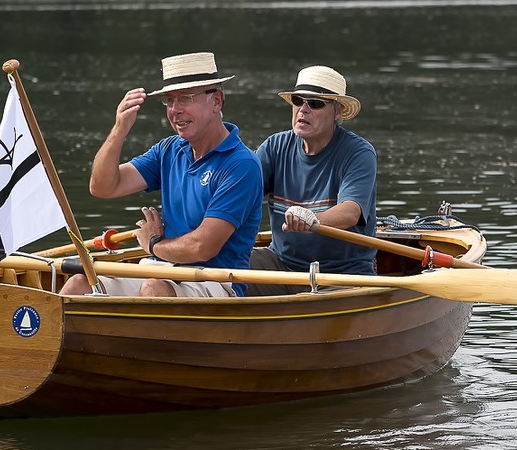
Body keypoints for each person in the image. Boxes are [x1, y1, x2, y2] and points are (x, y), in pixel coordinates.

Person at [61, 52, 262, 297]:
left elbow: (202, 247)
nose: (175, 110)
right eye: (169, 100)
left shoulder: (242, 165)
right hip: (164, 268)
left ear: (217, 101)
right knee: (79, 284)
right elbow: (103, 187)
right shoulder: (169, 149)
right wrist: (119, 130)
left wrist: (153, 244)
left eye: (186, 98)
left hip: (217, 281)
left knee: (153, 288)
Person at [249, 65, 378, 292]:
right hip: (281, 265)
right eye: (298, 100)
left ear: (337, 113)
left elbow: (350, 211)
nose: (303, 109)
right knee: (224, 262)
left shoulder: (359, 153)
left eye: (315, 103)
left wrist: (313, 219)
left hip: (342, 274)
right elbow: (242, 195)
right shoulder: (274, 147)